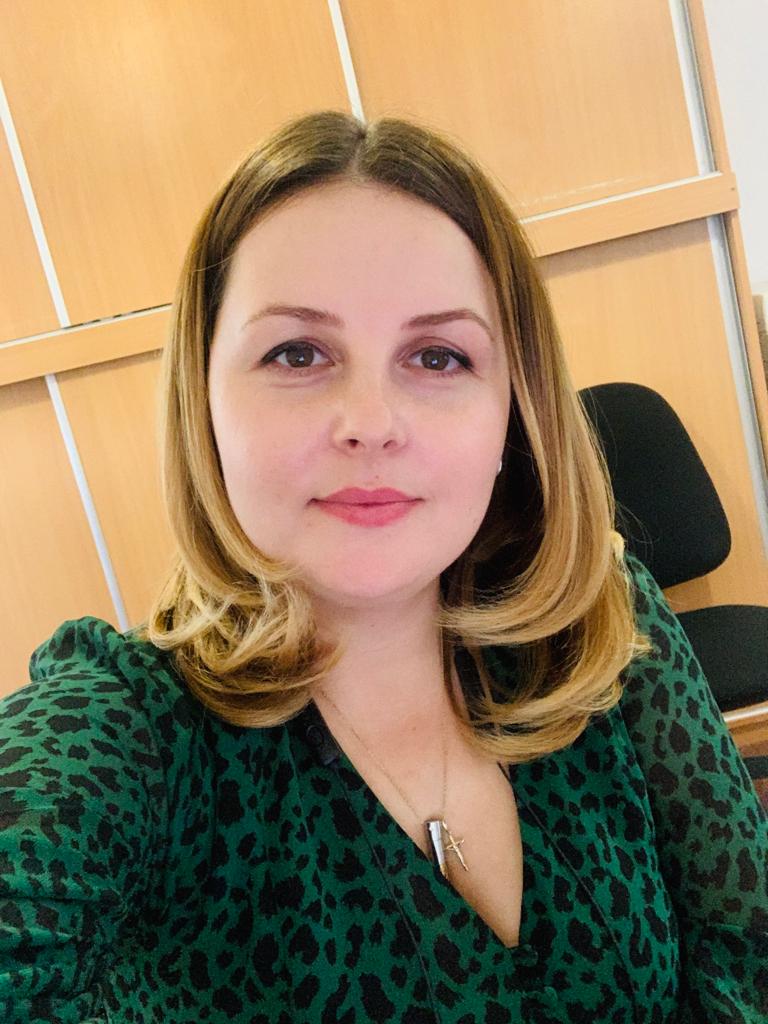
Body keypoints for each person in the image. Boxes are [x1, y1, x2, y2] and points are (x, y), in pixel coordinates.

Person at [0, 109, 765, 1024]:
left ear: (511, 410)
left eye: (438, 356)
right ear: (203, 405)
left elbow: (744, 957)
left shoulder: (601, 619)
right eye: (296, 352)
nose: (370, 422)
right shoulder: (133, 733)